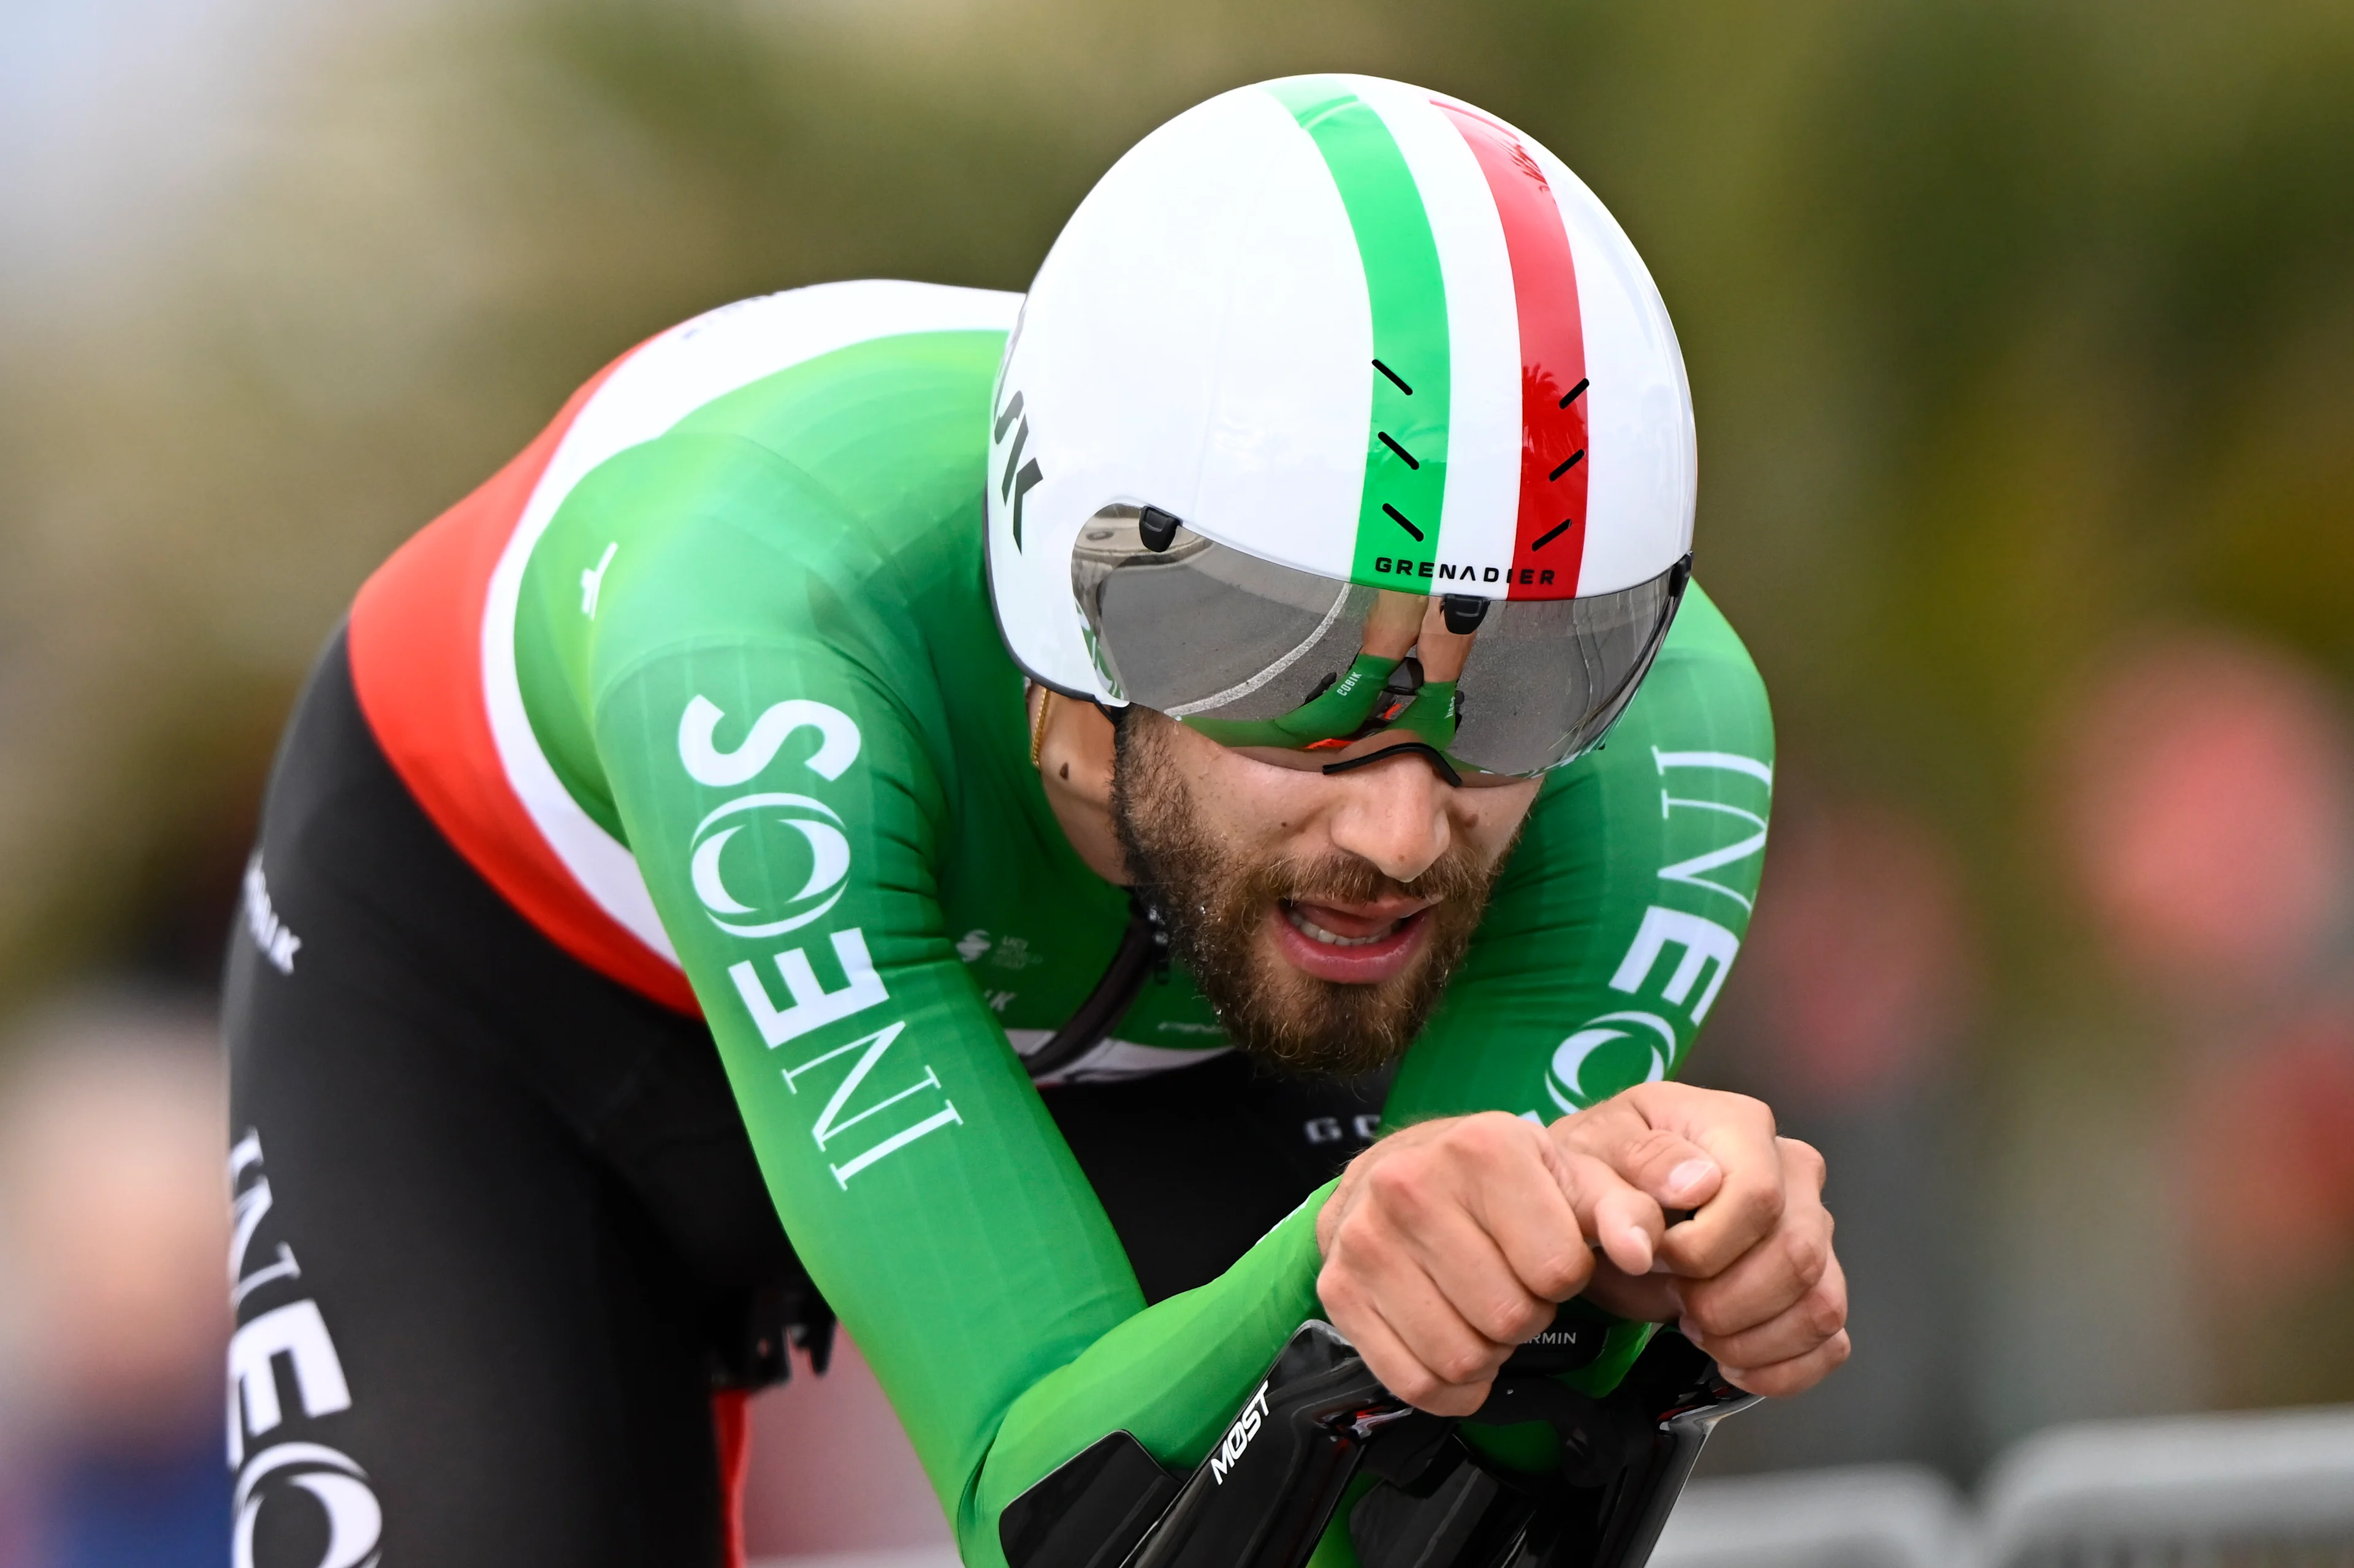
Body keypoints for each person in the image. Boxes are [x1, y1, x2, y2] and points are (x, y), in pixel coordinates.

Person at [221, 73, 1847, 1568]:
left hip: (1168, 1013)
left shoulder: (1662, 744)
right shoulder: (760, 664)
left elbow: (1451, 1458)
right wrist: (1338, 1253)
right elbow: (1043, 1502)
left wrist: (1633, 1276)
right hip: (512, 1001)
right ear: (1078, 648)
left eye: (1509, 708)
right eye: (1301, 695)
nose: (1407, 834)